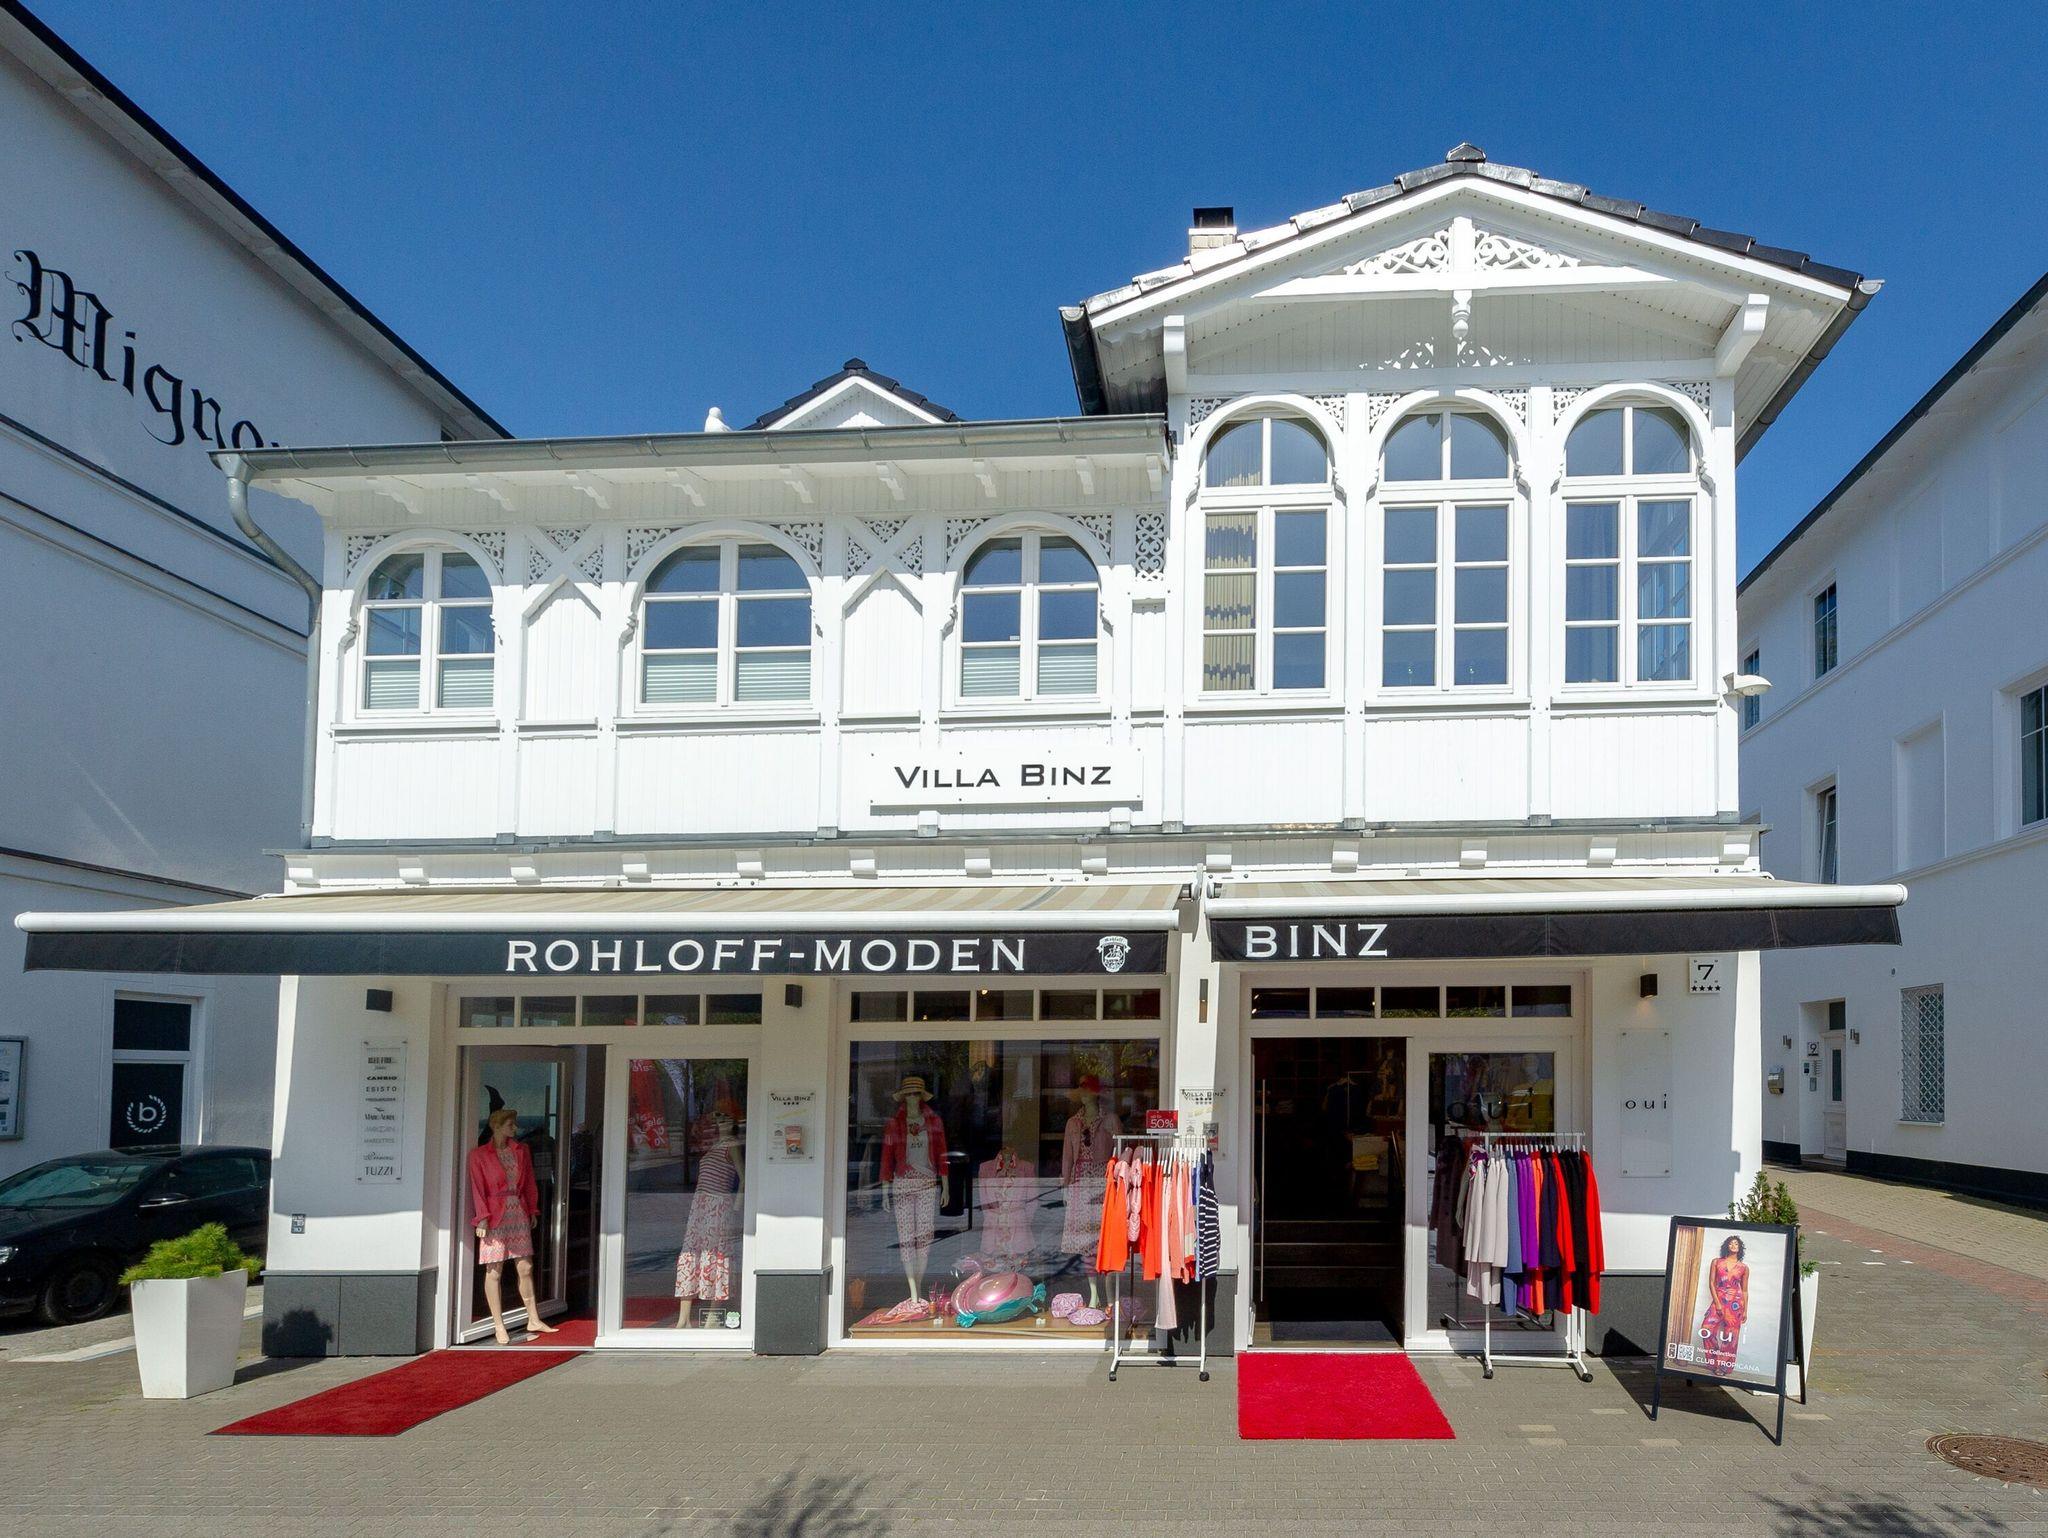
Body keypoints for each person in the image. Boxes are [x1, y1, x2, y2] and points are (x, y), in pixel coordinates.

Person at [467, 1107, 559, 1345]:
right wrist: (482, 1217)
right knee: (494, 1269)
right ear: (496, 1127)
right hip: (494, 1215)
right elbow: (478, 1188)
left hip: (517, 1211)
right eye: (510, 1125)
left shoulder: (520, 1150)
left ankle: (533, 1318)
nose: (515, 1129)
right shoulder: (479, 1155)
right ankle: (499, 1324)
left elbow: (528, 1182)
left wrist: (532, 1209)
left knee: (525, 1267)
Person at [1697, 1234, 1750, 1376]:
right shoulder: (1716, 1262)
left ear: (1740, 1248)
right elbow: (1711, 1283)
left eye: (1736, 1244)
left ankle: (1723, 1366)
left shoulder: (1744, 1268)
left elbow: (1745, 1290)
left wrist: (1745, 1310)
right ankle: (1714, 1362)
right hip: (1719, 1299)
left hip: (1735, 1304)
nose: (1733, 1245)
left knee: (1731, 1336)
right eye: (1731, 1243)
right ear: (1727, 1246)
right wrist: (1717, 1303)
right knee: (1706, 1329)